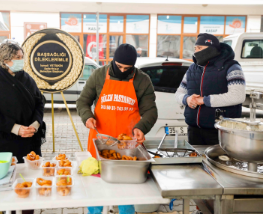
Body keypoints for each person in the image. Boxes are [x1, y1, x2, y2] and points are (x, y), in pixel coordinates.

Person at [76, 43, 157, 214]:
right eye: (119, 66)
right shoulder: (99, 75)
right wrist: (87, 117)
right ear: (113, 61)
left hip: (128, 145)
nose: (122, 71)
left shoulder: (142, 80)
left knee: (126, 189)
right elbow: (83, 101)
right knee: (95, 186)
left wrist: (142, 127)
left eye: (127, 68)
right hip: (99, 140)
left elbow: (150, 110)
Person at [0, 41, 45, 163]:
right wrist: (15, 128)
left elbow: (39, 102)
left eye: (22, 57)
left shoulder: (27, 78)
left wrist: (35, 125)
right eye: (17, 58)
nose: (21, 61)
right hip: (5, 141)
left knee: (31, 173)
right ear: (5, 59)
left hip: (30, 138)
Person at [175, 33, 246, 145]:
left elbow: (238, 96)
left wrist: (203, 100)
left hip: (221, 130)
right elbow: (179, 92)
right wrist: (187, 99)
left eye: (200, 48)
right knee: (195, 162)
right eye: (195, 48)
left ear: (211, 49)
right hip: (194, 129)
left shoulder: (231, 67)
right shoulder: (193, 68)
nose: (195, 52)